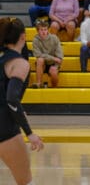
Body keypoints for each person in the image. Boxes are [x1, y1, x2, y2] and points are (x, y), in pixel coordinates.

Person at [0, 17, 44, 185]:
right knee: (25, 182)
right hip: (5, 126)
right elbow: (11, 98)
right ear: (23, 37)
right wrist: (29, 133)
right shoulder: (19, 63)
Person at [32, 20, 63, 88]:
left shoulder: (54, 38)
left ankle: (54, 89)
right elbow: (38, 55)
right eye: (41, 30)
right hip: (43, 64)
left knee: (53, 72)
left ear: (48, 30)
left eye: (45, 29)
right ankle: (39, 83)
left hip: (53, 63)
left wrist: (56, 65)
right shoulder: (35, 40)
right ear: (38, 31)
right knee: (40, 60)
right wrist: (53, 58)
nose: (43, 32)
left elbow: (60, 57)